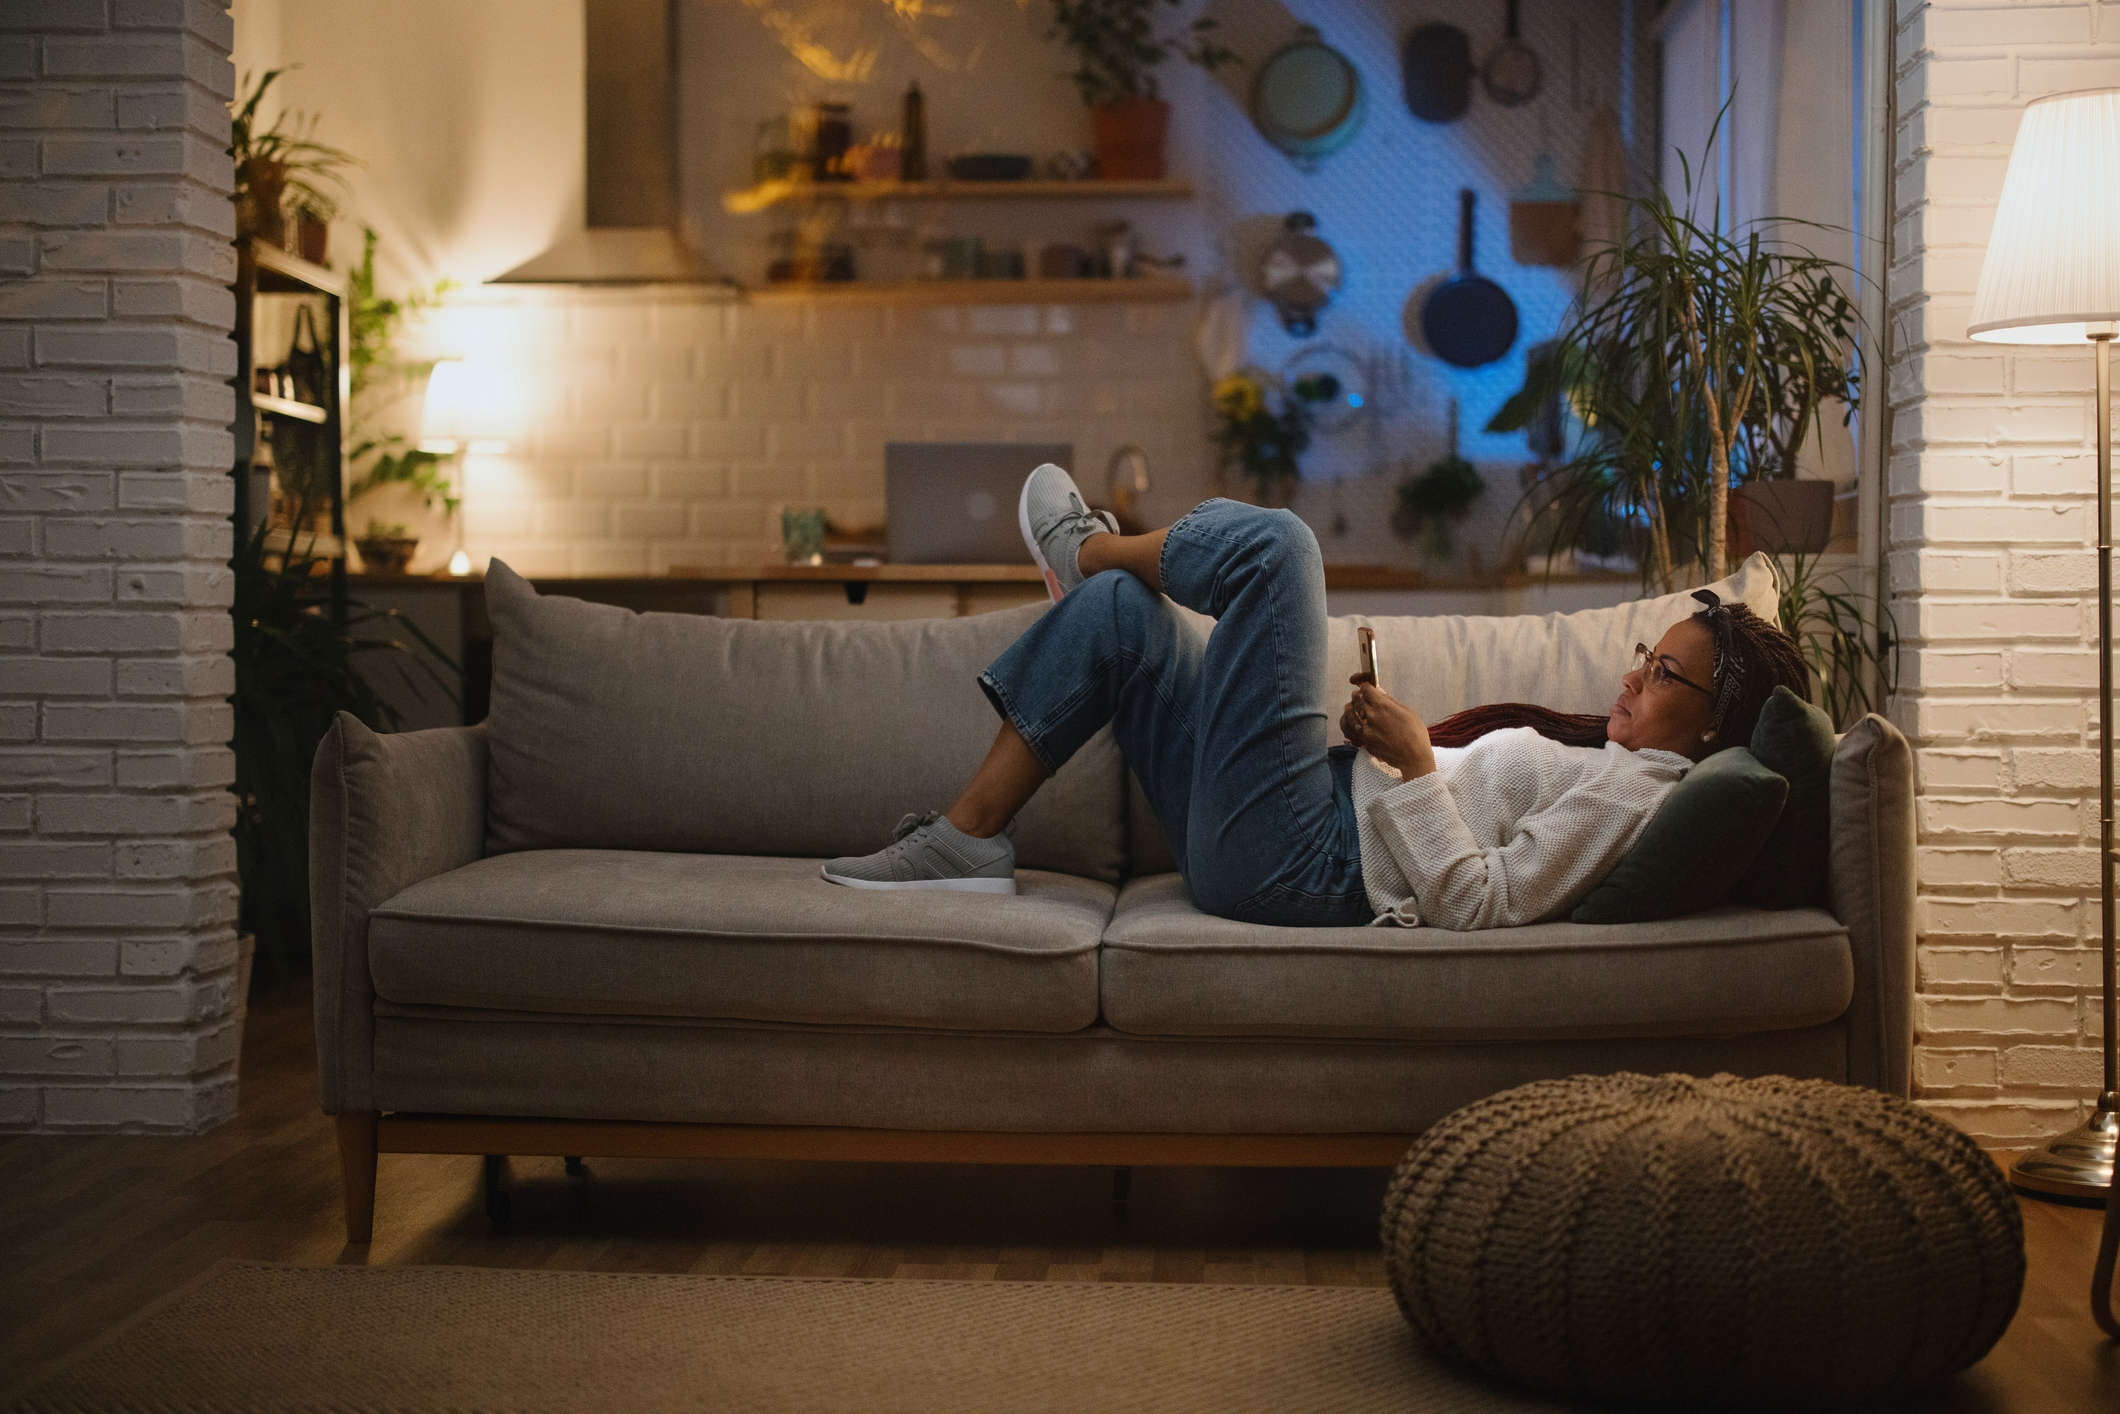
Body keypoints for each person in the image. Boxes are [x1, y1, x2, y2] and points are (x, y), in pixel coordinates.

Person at [822, 464, 1810, 930]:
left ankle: (1083, 553)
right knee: (1124, 615)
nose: (1632, 675)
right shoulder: (1612, 765)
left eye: (1662, 674)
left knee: (1279, 548)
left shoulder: (1636, 798)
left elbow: (1480, 902)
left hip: (1303, 861)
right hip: (1296, 829)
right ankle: (966, 838)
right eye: (1645, 655)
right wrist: (1392, 755)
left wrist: (1415, 764)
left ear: (1713, 725)